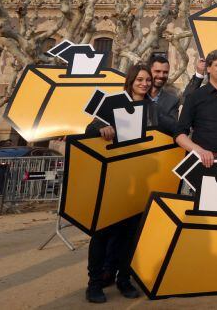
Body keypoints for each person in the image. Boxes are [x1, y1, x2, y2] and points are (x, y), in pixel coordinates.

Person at [83, 64, 155, 303]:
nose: (144, 83)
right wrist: (101, 127)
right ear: (131, 80)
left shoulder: (151, 108)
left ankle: (124, 279)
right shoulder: (113, 102)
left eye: (148, 80)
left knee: (130, 234)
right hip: (113, 180)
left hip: (139, 179)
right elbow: (89, 127)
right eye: (140, 79)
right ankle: (94, 284)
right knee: (102, 233)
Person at [147, 55, 180, 133]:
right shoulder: (138, 95)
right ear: (149, 71)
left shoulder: (173, 100)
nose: (161, 75)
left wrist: (154, 110)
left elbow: (173, 127)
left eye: (165, 72)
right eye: (157, 71)